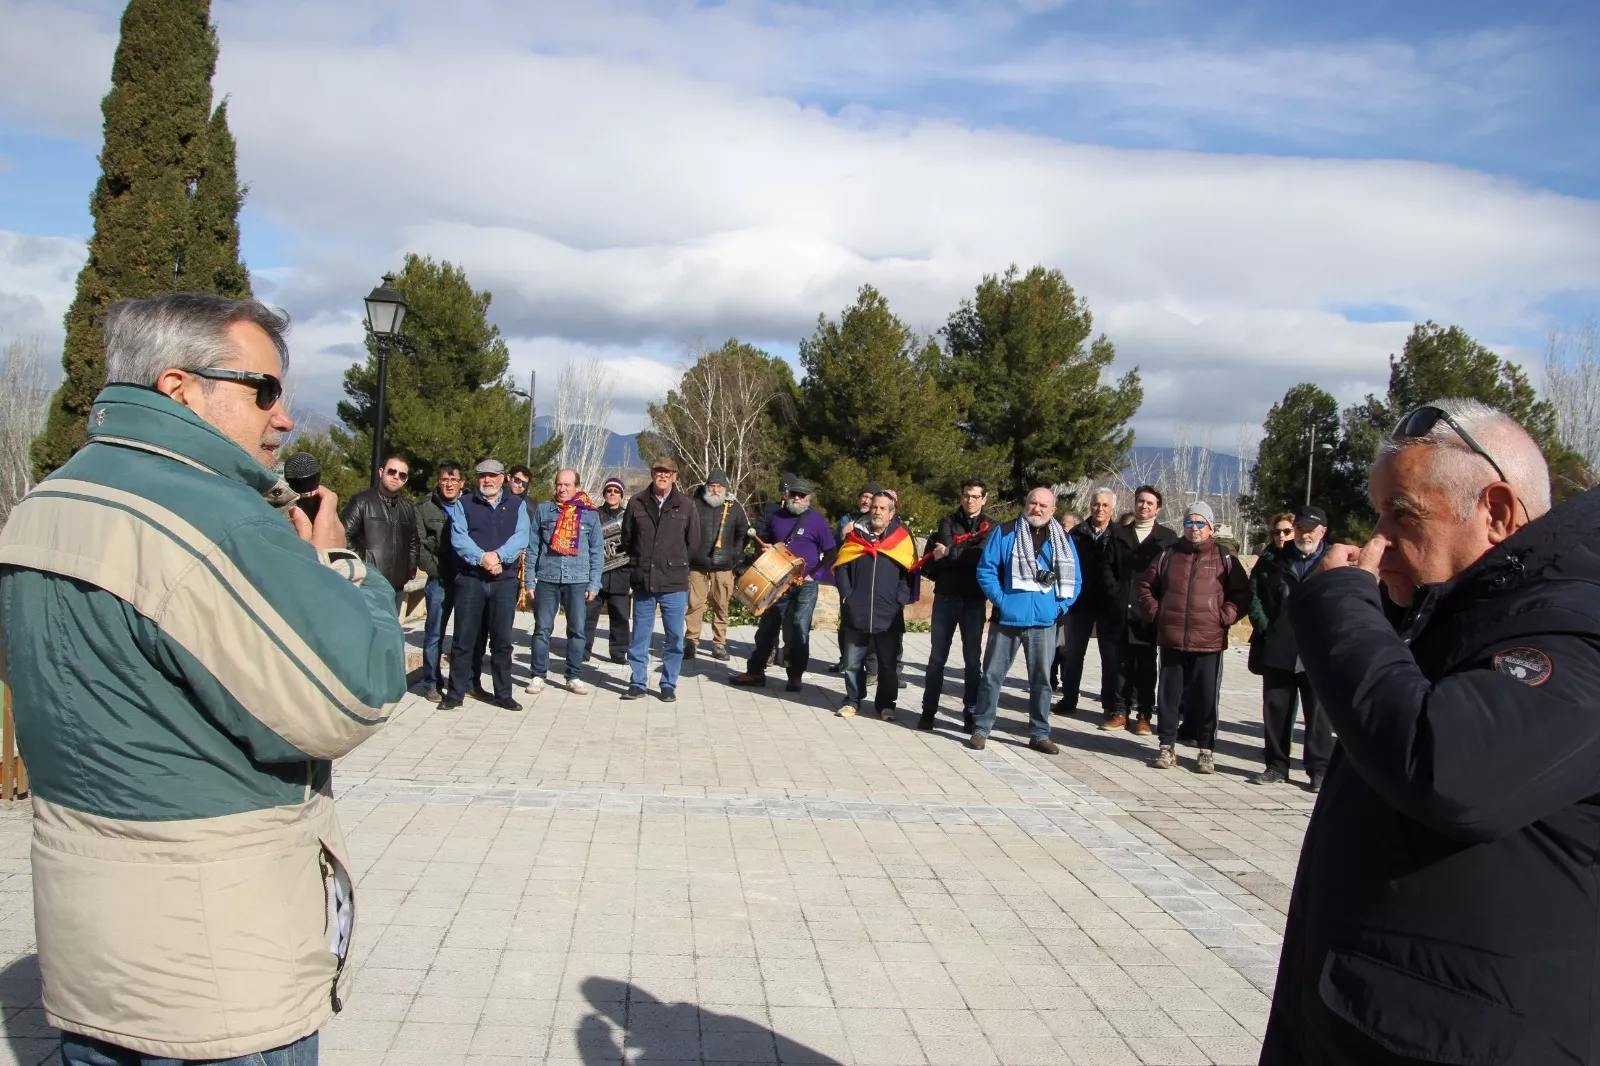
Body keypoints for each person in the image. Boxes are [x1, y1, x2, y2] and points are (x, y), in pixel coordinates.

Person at [0, 292, 406, 1064]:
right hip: (213, 968)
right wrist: (341, 568)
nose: (282, 418)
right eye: (265, 389)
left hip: (90, 949)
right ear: (178, 387)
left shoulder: (44, 503)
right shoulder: (211, 519)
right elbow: (354, 694)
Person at [1261, 400, 1596, 1065]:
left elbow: (1447, 768)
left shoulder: (1576, 627)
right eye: (1378, 514)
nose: (1378, 542)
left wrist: (1340, 607)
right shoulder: (1474, 609)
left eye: (1404, 515)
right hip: (1380, 1015)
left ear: (1498, 512)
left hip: (1467, 1036)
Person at [1138, 500, 1251, 774]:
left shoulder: (1225, 559)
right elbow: (1144, 586)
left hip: (1208, 640)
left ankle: (1206, 750)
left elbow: (1242, 594)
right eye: (1190, 522)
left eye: (1201, 523)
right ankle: (1166, 747)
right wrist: (1158, 614)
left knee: (1205, 697)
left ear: (1211, 527)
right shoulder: (1168, 555)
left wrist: (1224, 616)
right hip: (1173, 637)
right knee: (1168, 695)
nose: (1195, 528)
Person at [967, 487, 1080, 753]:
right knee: (992, 676)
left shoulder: (1062, 538)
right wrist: (1003, 601)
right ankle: (981, 728)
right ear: (1025, 504)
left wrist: (1059, 608)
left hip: (1044, 622)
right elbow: (986, 570)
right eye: (1032, 502)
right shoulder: (1005, 532)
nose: (1037, 508)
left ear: (1053, 510)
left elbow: (1074, 579)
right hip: (1007, 621)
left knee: (1042, 680)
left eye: (1043, 505)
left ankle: (1040, 733)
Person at [1247, 504, 1333, 789]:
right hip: (1280, 644)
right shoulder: (1276, 559)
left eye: (1310, 530)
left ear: (1323, 531)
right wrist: (1265, 627)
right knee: (1276, 710)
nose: (1304, 535)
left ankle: (1318, 769)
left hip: (1316, 649)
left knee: (1318, 714)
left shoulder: (1334, 562)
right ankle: (1276, 766)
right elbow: (1256, 594)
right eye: (1300, 529)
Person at [728, 477, 837, 693]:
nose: (797, 498)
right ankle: (755, 672)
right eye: (794, 493)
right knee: (767, 628)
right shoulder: (776, 516)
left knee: (799, 628)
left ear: (809, 498)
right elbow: (766, 544)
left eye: (802, 495)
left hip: (805, 585)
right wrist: (765, 548)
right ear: (787, 494)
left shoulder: (816, 520)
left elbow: (831, 552)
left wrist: (815, 576)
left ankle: (795, 675)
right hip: (778, 582)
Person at [439, 459, 528, 711]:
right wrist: (483, 558)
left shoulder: (517, 505)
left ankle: (503, 693)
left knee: (502, 641)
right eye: (481, 476)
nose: (486, 480)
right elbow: (459, 537)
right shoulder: (464, 504)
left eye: (492, 476)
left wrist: (498, 557)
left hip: (504, 582)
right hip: (471, 580)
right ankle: (455, 693)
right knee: (464, 639)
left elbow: (521, 536)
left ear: (503, 478)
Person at [620, 457, 701, 702]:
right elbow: (627, 539)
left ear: (675, 476)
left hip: (674, 583)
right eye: (658, 471)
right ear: (652, 474)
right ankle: (637, 683)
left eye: (667, 472)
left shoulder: (686, 506)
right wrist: (640, 564)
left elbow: (694, 543)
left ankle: (668, 684)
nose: (663, 476)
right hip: (644, 581)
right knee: (640, 637)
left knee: (675, 637)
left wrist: (674, 562)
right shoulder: (636, 503)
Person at [918, 478, 995, 732]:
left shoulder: (990, 527)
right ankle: (928, 710)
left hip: (973, 600)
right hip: (946, 597)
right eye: (966, 495)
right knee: (936, 658)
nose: (969, 500)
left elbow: (980, 557)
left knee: (973, 662)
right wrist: (958, 554)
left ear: (984, 499)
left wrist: (951, 553)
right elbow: (942, 554)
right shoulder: (948, 521)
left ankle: (971, 712)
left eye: (974, 496)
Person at [834, 490, 916, 720]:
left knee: (888, 664)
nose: (877, 511)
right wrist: (847, 595)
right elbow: (842, 567)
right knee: (852, 662)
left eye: (882, 508)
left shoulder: (901, 539)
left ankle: (886, 705)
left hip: (887, 613)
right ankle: (852, 700)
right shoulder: (855, 537)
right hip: (856, 609)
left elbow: (910, 573)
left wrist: (899, 599)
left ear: (892, 513)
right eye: (874, 507)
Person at [525, 469, 603, 696]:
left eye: (568, 485)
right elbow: (533, 547)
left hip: (578, 580)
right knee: (542, 629)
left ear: (577, 487)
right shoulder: (544, 510)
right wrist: (530, 579)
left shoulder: (589, 514)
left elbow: (597, 551)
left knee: (577, 630)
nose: (563, 489)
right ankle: (538, 675)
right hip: (547, 579)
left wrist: (594, 583)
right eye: (559, 484)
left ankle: (574, 675)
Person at [1111, 485, 1179, 734]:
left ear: (1158, 508)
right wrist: (1115, 592)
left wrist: (1160, 605)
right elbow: (1107, 568)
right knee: (1121, 665)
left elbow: (1172, 575)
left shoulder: (1168, 538)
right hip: (1121, 609)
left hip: (1149, 614)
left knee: (1146, 667)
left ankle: (1144, 714)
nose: (1144, 506)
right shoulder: (1118, 533)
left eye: (1150, 503)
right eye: (1141, 501)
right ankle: (1119, 711)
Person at [1054, 488, 1125, 726]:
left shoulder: (1119, 535)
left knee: (1111, 657)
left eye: (1105, 505)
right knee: (1073, 654)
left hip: (1108, 605)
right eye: (1096, 504)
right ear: (1090, 506)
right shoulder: (1076, 534)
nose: (1100, 509)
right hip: (1080, 603)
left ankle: (1110, 706)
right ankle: (1069, 699)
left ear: (1112, 509)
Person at [341, 452, 420, 614]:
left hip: (396, 588)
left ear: (405, 480)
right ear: (380, 472)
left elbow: (413, 541)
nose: (396, 477)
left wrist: (410, 568)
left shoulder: (408, 508)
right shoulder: (361, 501)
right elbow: (345, 535)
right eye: (391, 471)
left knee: (390, 635)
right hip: (367, 585)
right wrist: (365, 563)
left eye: (402, 475)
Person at [684, 468, 749, 662]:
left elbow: (742, 534)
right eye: (711, 485)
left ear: (725, 488)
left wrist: (735, 555)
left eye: (718, 486)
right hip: (697, 564)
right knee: (695, 604)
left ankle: (719, 644)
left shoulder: (735, 508)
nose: (715, 489)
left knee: (721, 604)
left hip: (724, 565)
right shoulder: (694, 505)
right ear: (706, 486)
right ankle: (691, 642)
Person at [415, 459, 465, 702]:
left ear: (461, 482)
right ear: (438, 481)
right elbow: (419, 546)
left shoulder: (470, 504)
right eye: (444, 479)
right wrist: (437, 571)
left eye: (453, 479)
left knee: (466, 634)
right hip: (440, 580)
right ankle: (431, 682)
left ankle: (462, 681)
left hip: (467, 579)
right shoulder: (424, 507)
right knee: (434, 633)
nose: (448, 484)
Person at [828, 483, 881, 675]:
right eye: (863, 496)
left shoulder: (878, 520)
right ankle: (846, 660)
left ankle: (872, 667)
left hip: (871, 577)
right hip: (849, 578)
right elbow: (834, 545)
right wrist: (843, 533)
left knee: (871, 622)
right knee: (847, 620)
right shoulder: (847, 519)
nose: (866, 500)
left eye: (870, 497)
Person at [585, 476, 632, 663]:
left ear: (621, 495)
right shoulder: (594, 514)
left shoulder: (628, 516)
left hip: (620, 573)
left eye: (616, 491)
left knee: (620, 617)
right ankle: (583, 650)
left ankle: (619, 653)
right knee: (588, 615)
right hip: (596, 574)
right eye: (609, 491)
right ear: (604, 494)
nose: (612, 494)